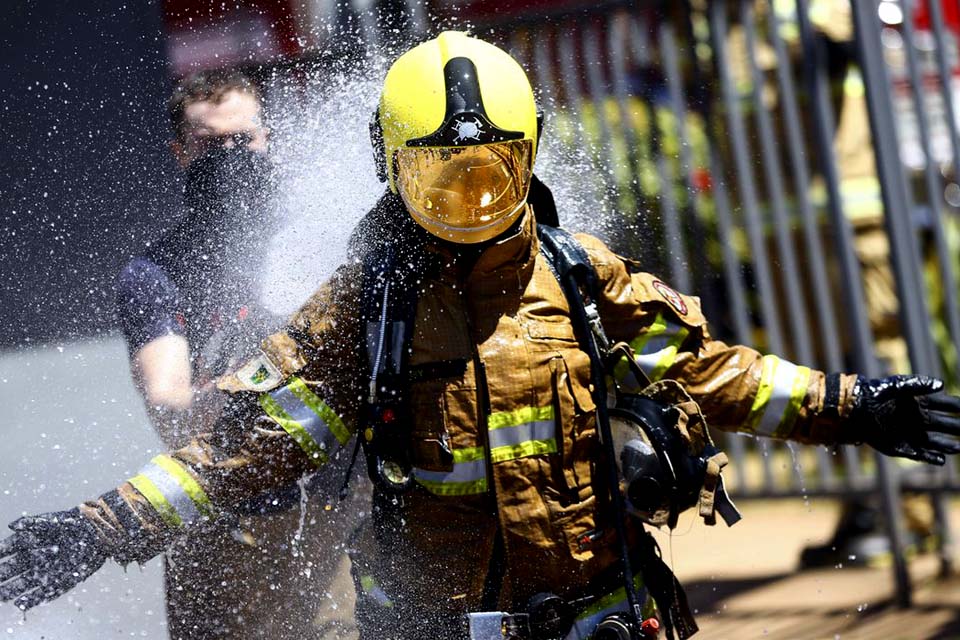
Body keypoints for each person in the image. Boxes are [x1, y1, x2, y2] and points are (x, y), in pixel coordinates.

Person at [3, 32, 960, 640]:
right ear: (392, 168)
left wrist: (856, 407)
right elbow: (240, 450)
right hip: (433, 624)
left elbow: (719, 377)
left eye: (490, 172)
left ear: (529, 155)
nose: (467, 200)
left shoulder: (585, 276)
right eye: (440, 177)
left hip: (601, 618)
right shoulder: (361, 307)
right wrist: (100, 527)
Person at [114, 70, 357, 639]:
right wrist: (275, 373)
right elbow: (171, 403)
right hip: (221, 521)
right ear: (180, 154)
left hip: (328, 514)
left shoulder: (323, 238)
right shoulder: (156, 274)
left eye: (242, 141)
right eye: (210, 145)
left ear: (267, 139)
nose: (230, 158)